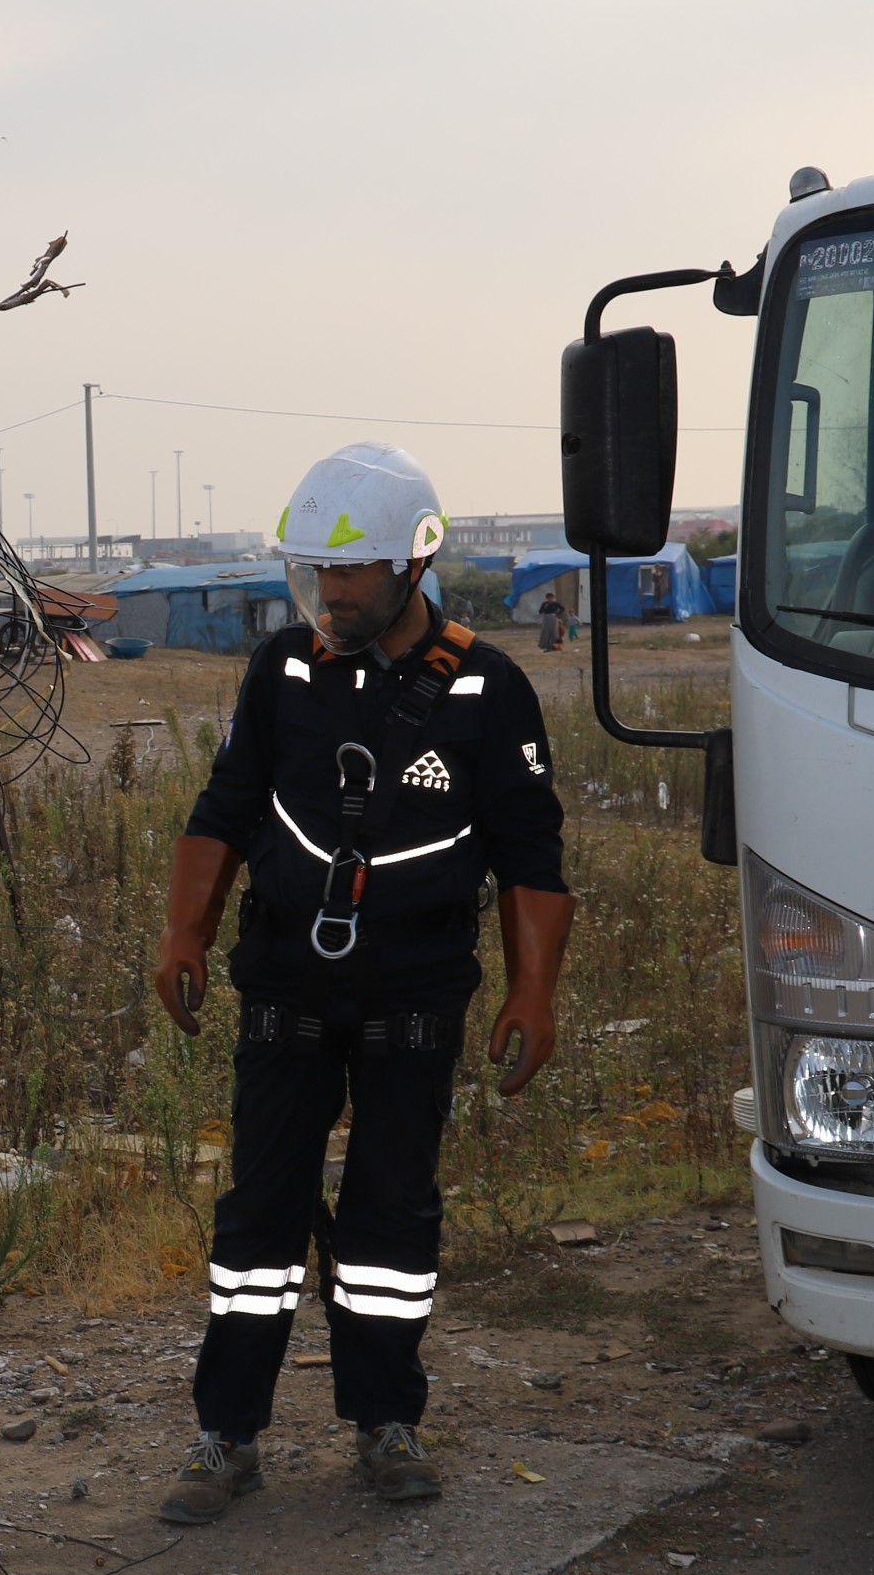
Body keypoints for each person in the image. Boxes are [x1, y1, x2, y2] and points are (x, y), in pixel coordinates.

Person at [150, 442, 573, 1518]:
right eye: (316, 575)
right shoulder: (283, 669)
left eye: (349, 574)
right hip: (287, 978)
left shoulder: (489, 687)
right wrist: (184, 931)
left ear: (411, 567)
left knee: (391, 1215)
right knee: (259, 1216)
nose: (329, 595)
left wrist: (535, 993)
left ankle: (388, 1422)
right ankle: (226, 1435)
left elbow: (532, 855)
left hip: (417, 989)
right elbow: (225, 807)